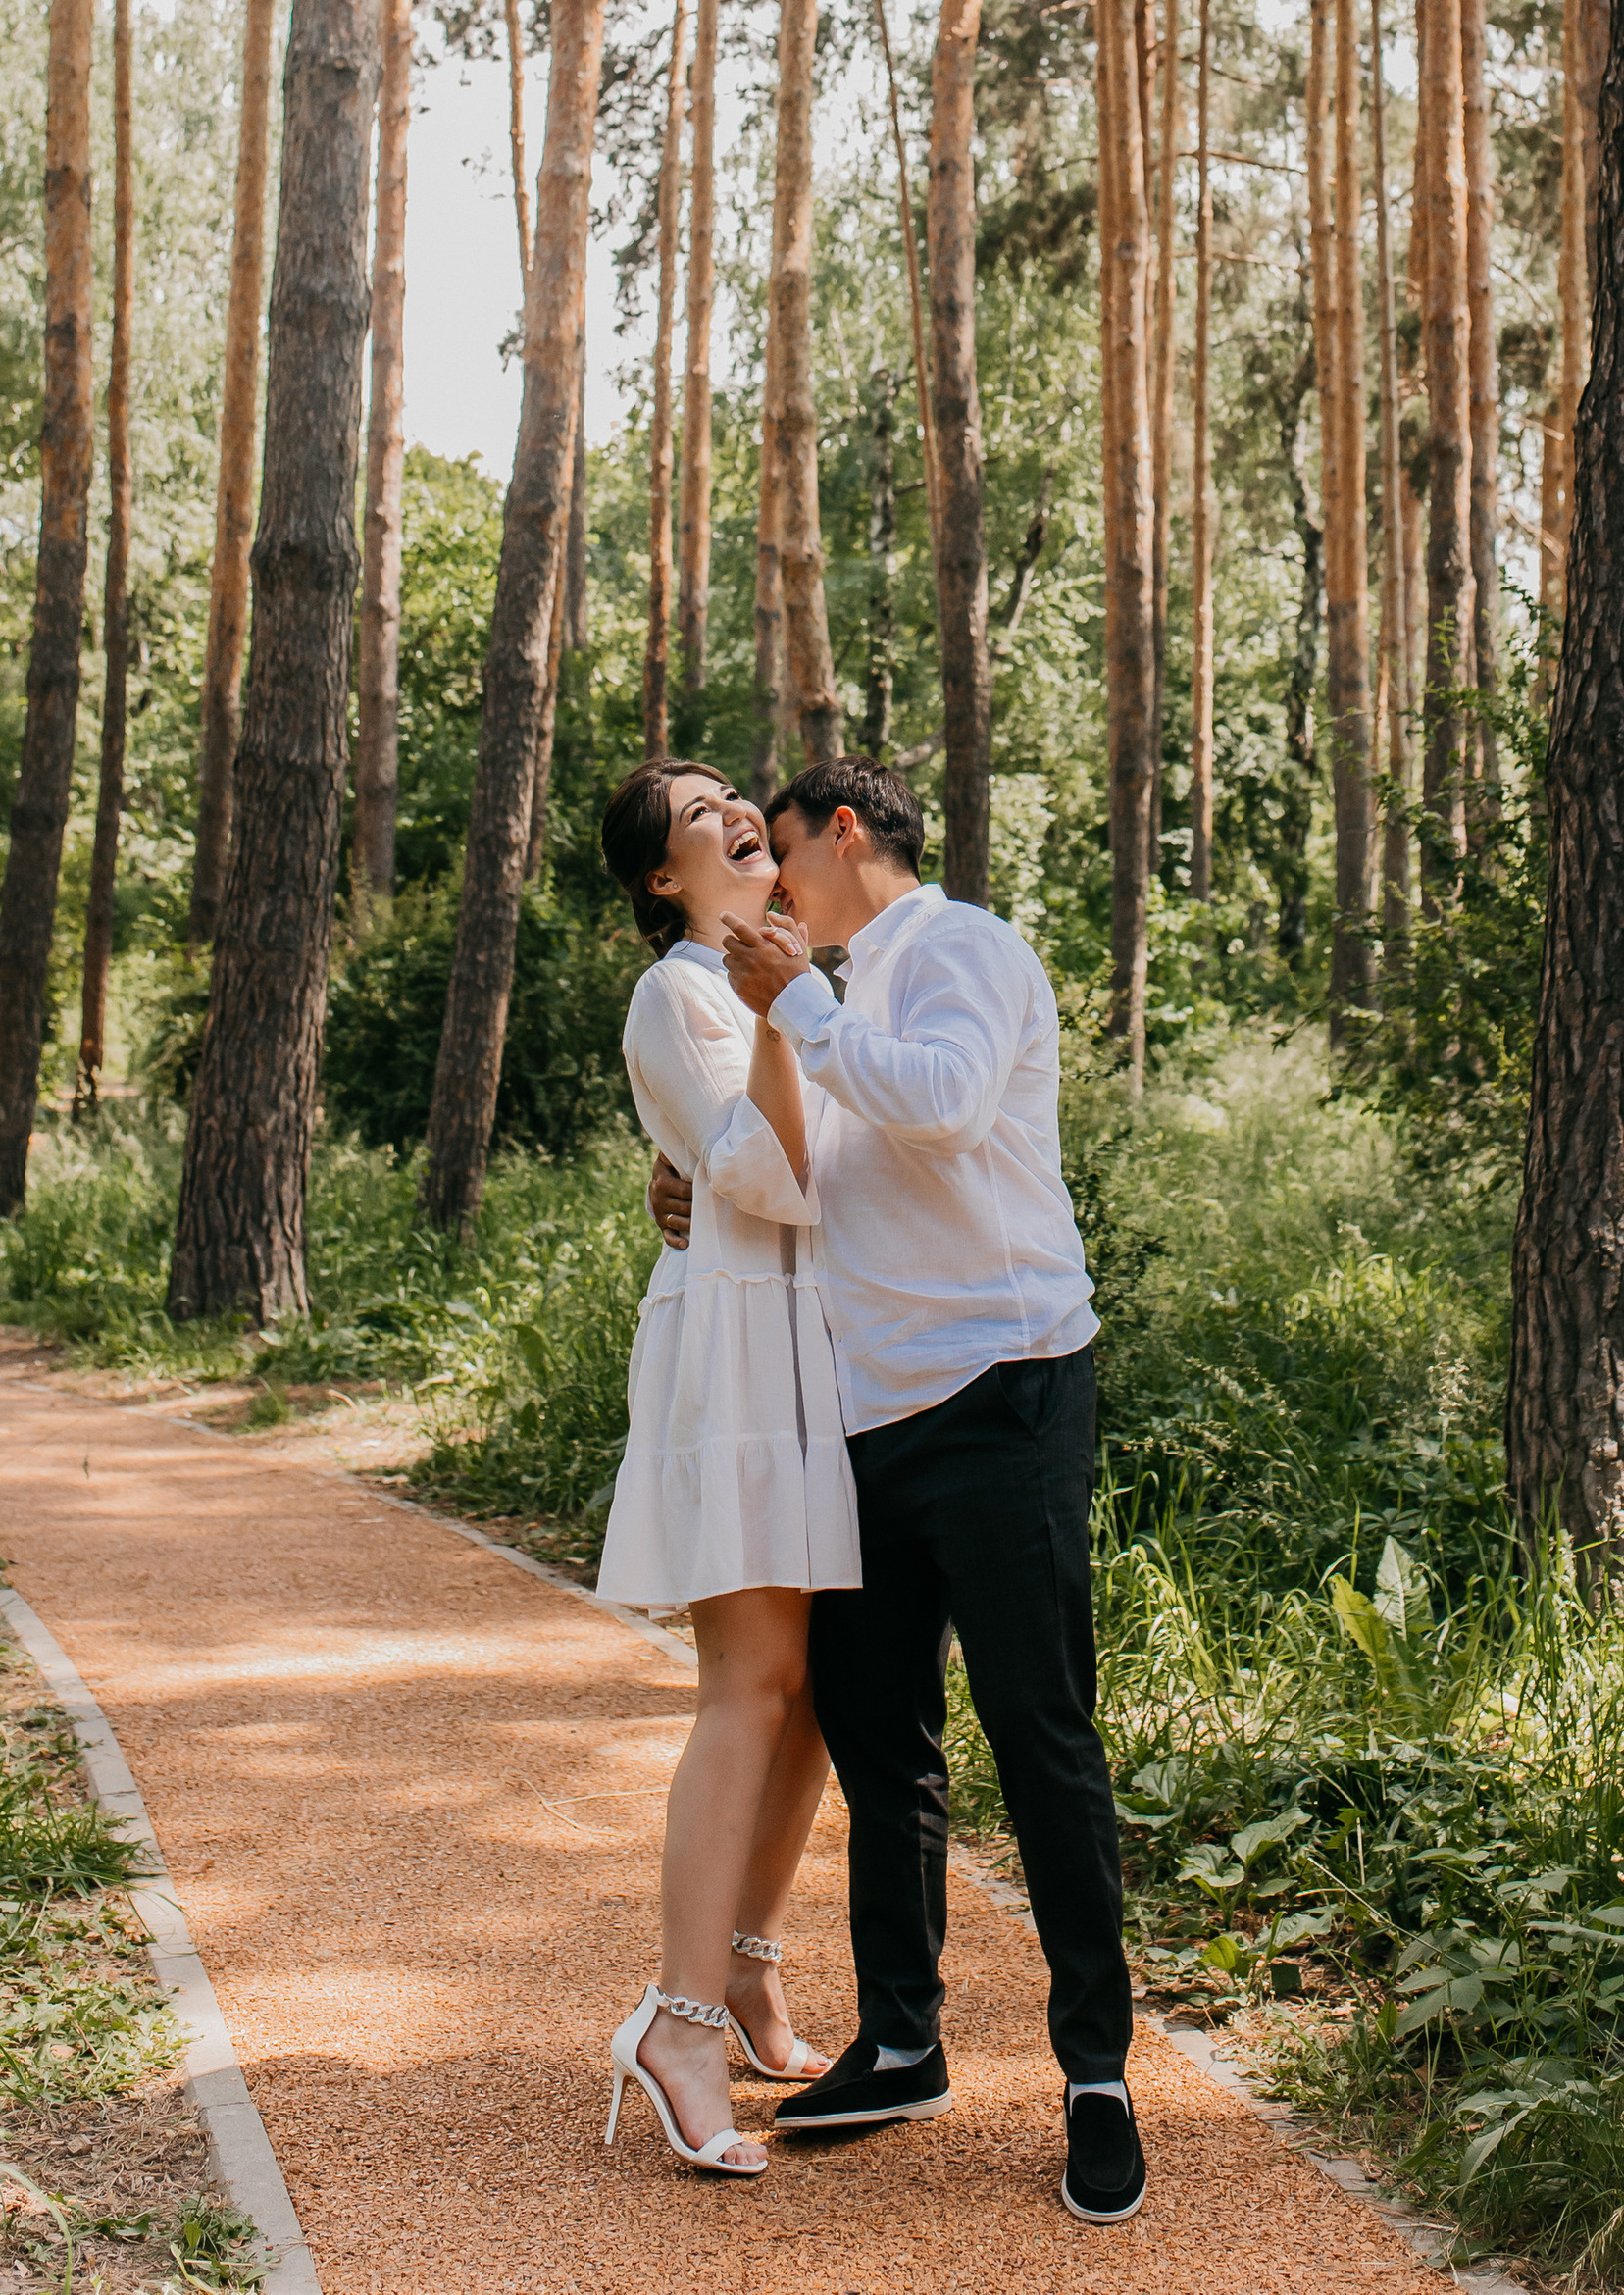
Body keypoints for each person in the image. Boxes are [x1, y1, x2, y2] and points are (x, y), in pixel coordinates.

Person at [657, 755, 1147, 2229]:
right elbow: (801, 1179)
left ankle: (1096, 2074)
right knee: (883, 1740)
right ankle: (900, 2039)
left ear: (845, 831)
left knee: (1041, 1730)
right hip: (863, 1417)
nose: (770, 874)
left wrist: (796, 1007)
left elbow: (942, 1106)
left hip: (1004, 1387)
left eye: (780, 844)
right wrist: (689, 1183)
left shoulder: (960, 949)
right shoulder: (830, 992)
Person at [593, 760, 861, 2182]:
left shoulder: (816, 977)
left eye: (732, 798)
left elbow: (860, 1157)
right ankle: (680, 2022)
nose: (734, 814)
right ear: (663, 878)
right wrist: (769, 1016)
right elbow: (765, 1176)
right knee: (750, 1684)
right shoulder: (679, 994)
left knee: (818, 1691)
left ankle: (750, 1965)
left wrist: (794, 1003)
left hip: (829, 1348)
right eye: (698, 816)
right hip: (739, 1351)